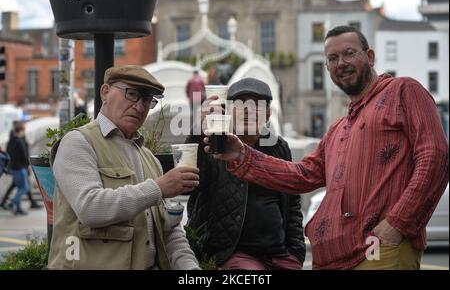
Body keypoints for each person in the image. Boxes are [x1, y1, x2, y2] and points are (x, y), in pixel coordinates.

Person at [205, 26, 449, 270]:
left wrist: (397, 223)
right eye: (332, 58)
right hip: (333, 258)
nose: (340, 63)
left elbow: (435, 155)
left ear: (370, 57)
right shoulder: (338, 129)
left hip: (377, 249)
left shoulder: (402, 91)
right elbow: (302, 175)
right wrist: (241, 155)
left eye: (349, 53)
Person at [48, 65, 200, 270]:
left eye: (147, 100)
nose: (139, 106)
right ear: (105, 92)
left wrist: (191, 269)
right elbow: (90, 208)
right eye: (132, 94)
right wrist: (158, 188)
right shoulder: (78, 142)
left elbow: (171, 230)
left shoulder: (149, 159)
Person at [187, 78, 305, 270]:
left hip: (279, 253)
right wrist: (198, 130)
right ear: (228, 110)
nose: (248, 110)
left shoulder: (278, 146)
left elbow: (293, 203)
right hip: (232, 253)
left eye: (256, 105)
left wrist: (296, 252)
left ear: (267, 114)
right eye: (241, 104)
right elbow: (188, 183)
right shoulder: (214, 143)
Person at [5, 121, 31, 215]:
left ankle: (18, 209)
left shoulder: (11, 141)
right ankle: (12, 203)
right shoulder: (20, 141)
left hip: (13, 168)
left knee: (20, 187)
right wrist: (28, 165)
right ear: (22, 130)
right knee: (24, 188)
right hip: (21, 168)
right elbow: (24, 155)